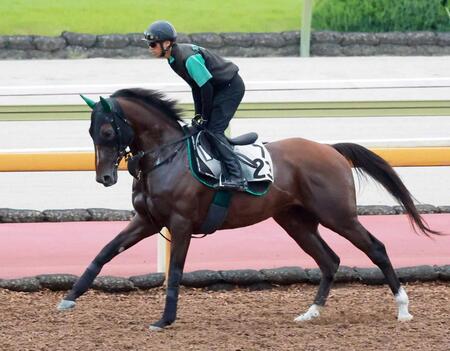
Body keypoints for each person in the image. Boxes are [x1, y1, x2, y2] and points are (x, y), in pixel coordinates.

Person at [143, 20, 247, 191]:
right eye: (149, 44)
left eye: (153, 44)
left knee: (213, 130)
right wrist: (199, 116)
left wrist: (204, 117)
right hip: (216, 87)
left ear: (167, 43)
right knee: (201, 127)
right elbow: (196, 87)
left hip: (230, 88)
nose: (150, 48)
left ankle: (237, 176)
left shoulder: (187, 58)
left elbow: (206, 88)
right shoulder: (172, 59)